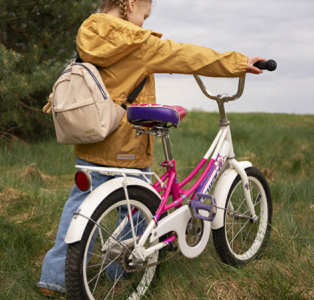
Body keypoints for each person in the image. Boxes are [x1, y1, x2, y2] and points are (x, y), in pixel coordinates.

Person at [38, 0, 266, 297]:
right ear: (131, 4)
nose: (143, 23)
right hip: (127, 146)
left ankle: (54, 278)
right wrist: (239, 63)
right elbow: (188, 55)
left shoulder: (88, 33)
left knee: (78, 207)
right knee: (134, 212)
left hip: (89, 143)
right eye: (144, 16)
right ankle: (119, 272)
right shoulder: (138, 42)